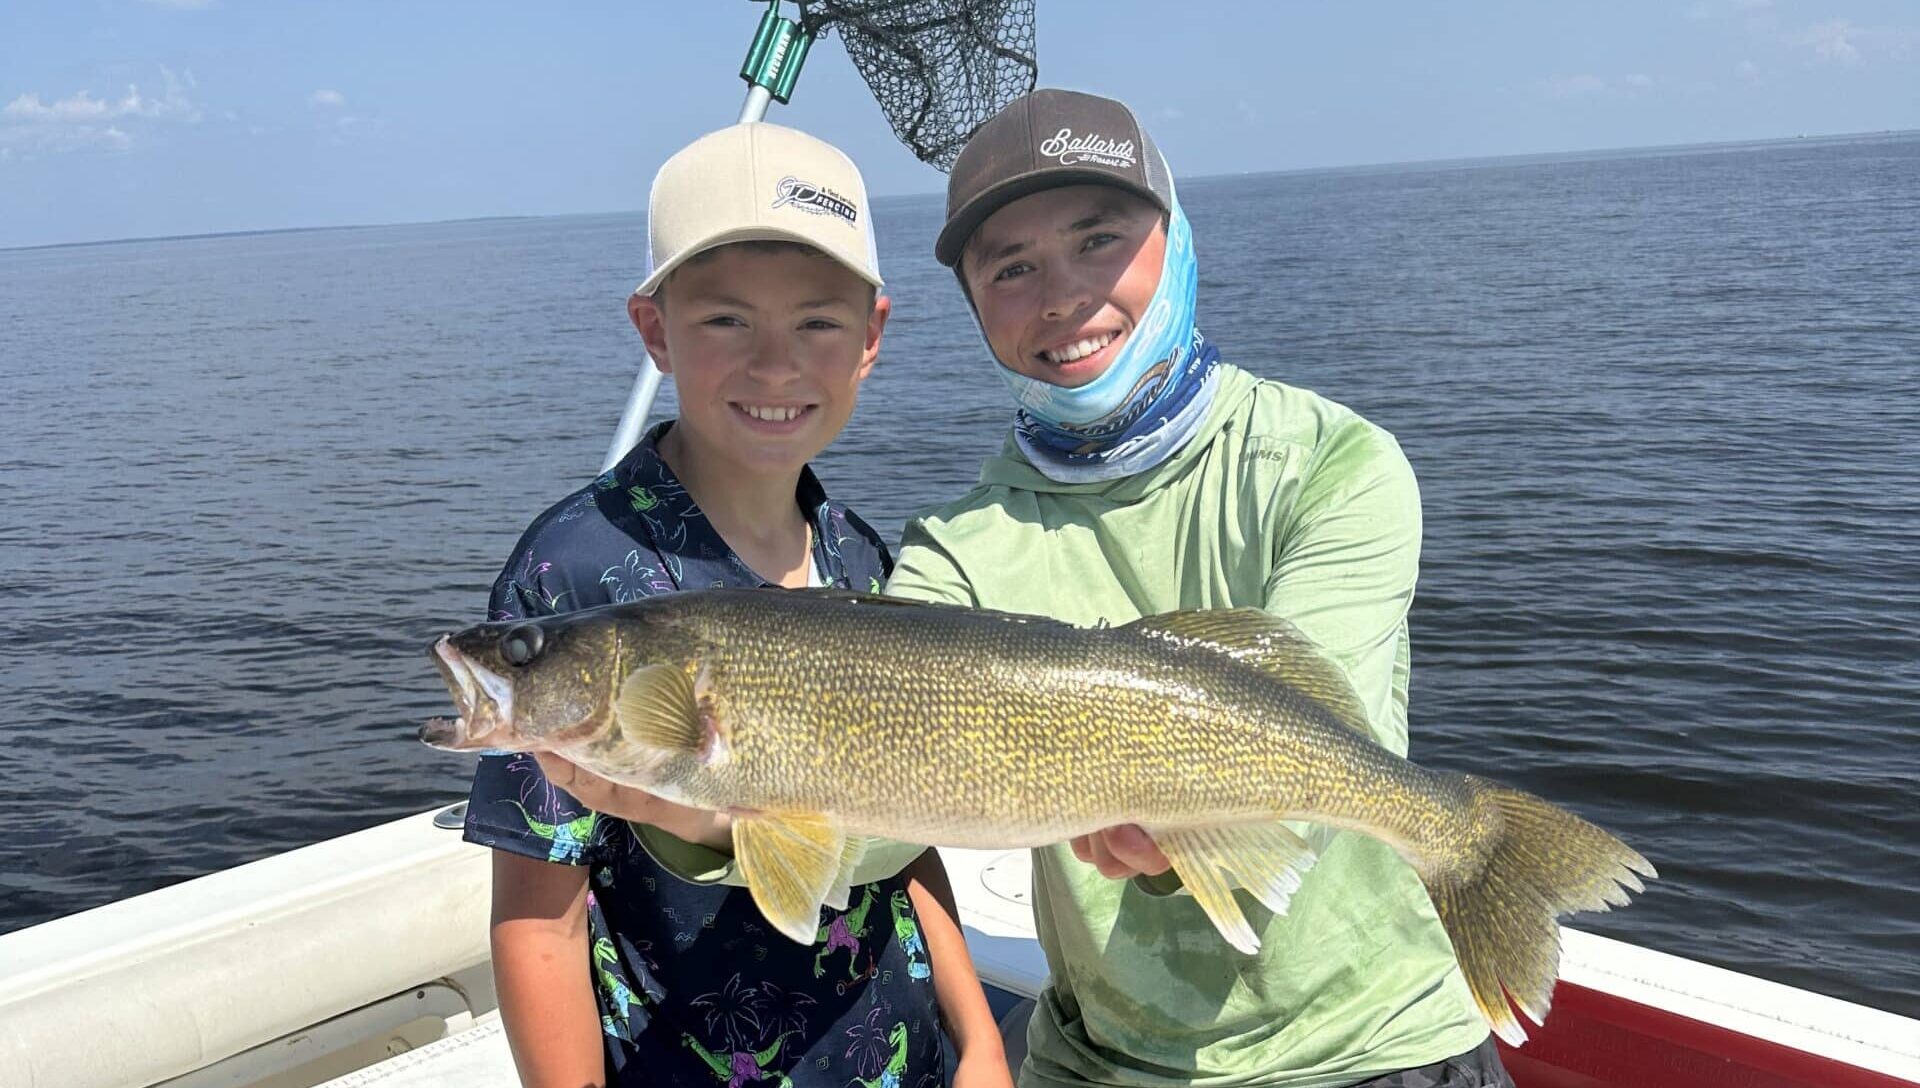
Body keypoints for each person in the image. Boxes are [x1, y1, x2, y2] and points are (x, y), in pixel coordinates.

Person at [884, 89, 1514, 1087]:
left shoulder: (1333, 462)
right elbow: (867, 793)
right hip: (1098, 1056)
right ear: (972, 305)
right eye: (1011, 267)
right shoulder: (954, 548)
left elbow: (1308, 722)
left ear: (1177, 242)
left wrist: (1174, 835)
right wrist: (689, 805)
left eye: (1100, 239)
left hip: (1373, 1046)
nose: (1061, 294)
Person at [462, 121, 1009, 1088]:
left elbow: (901, 832)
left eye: (817, 322)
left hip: (904, 1059)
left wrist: (981, 1039)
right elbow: (538, 917)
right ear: (654, 330)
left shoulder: (856, 554)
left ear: (872, 338)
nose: (773, 365)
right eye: (724, 321)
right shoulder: (574, 575)